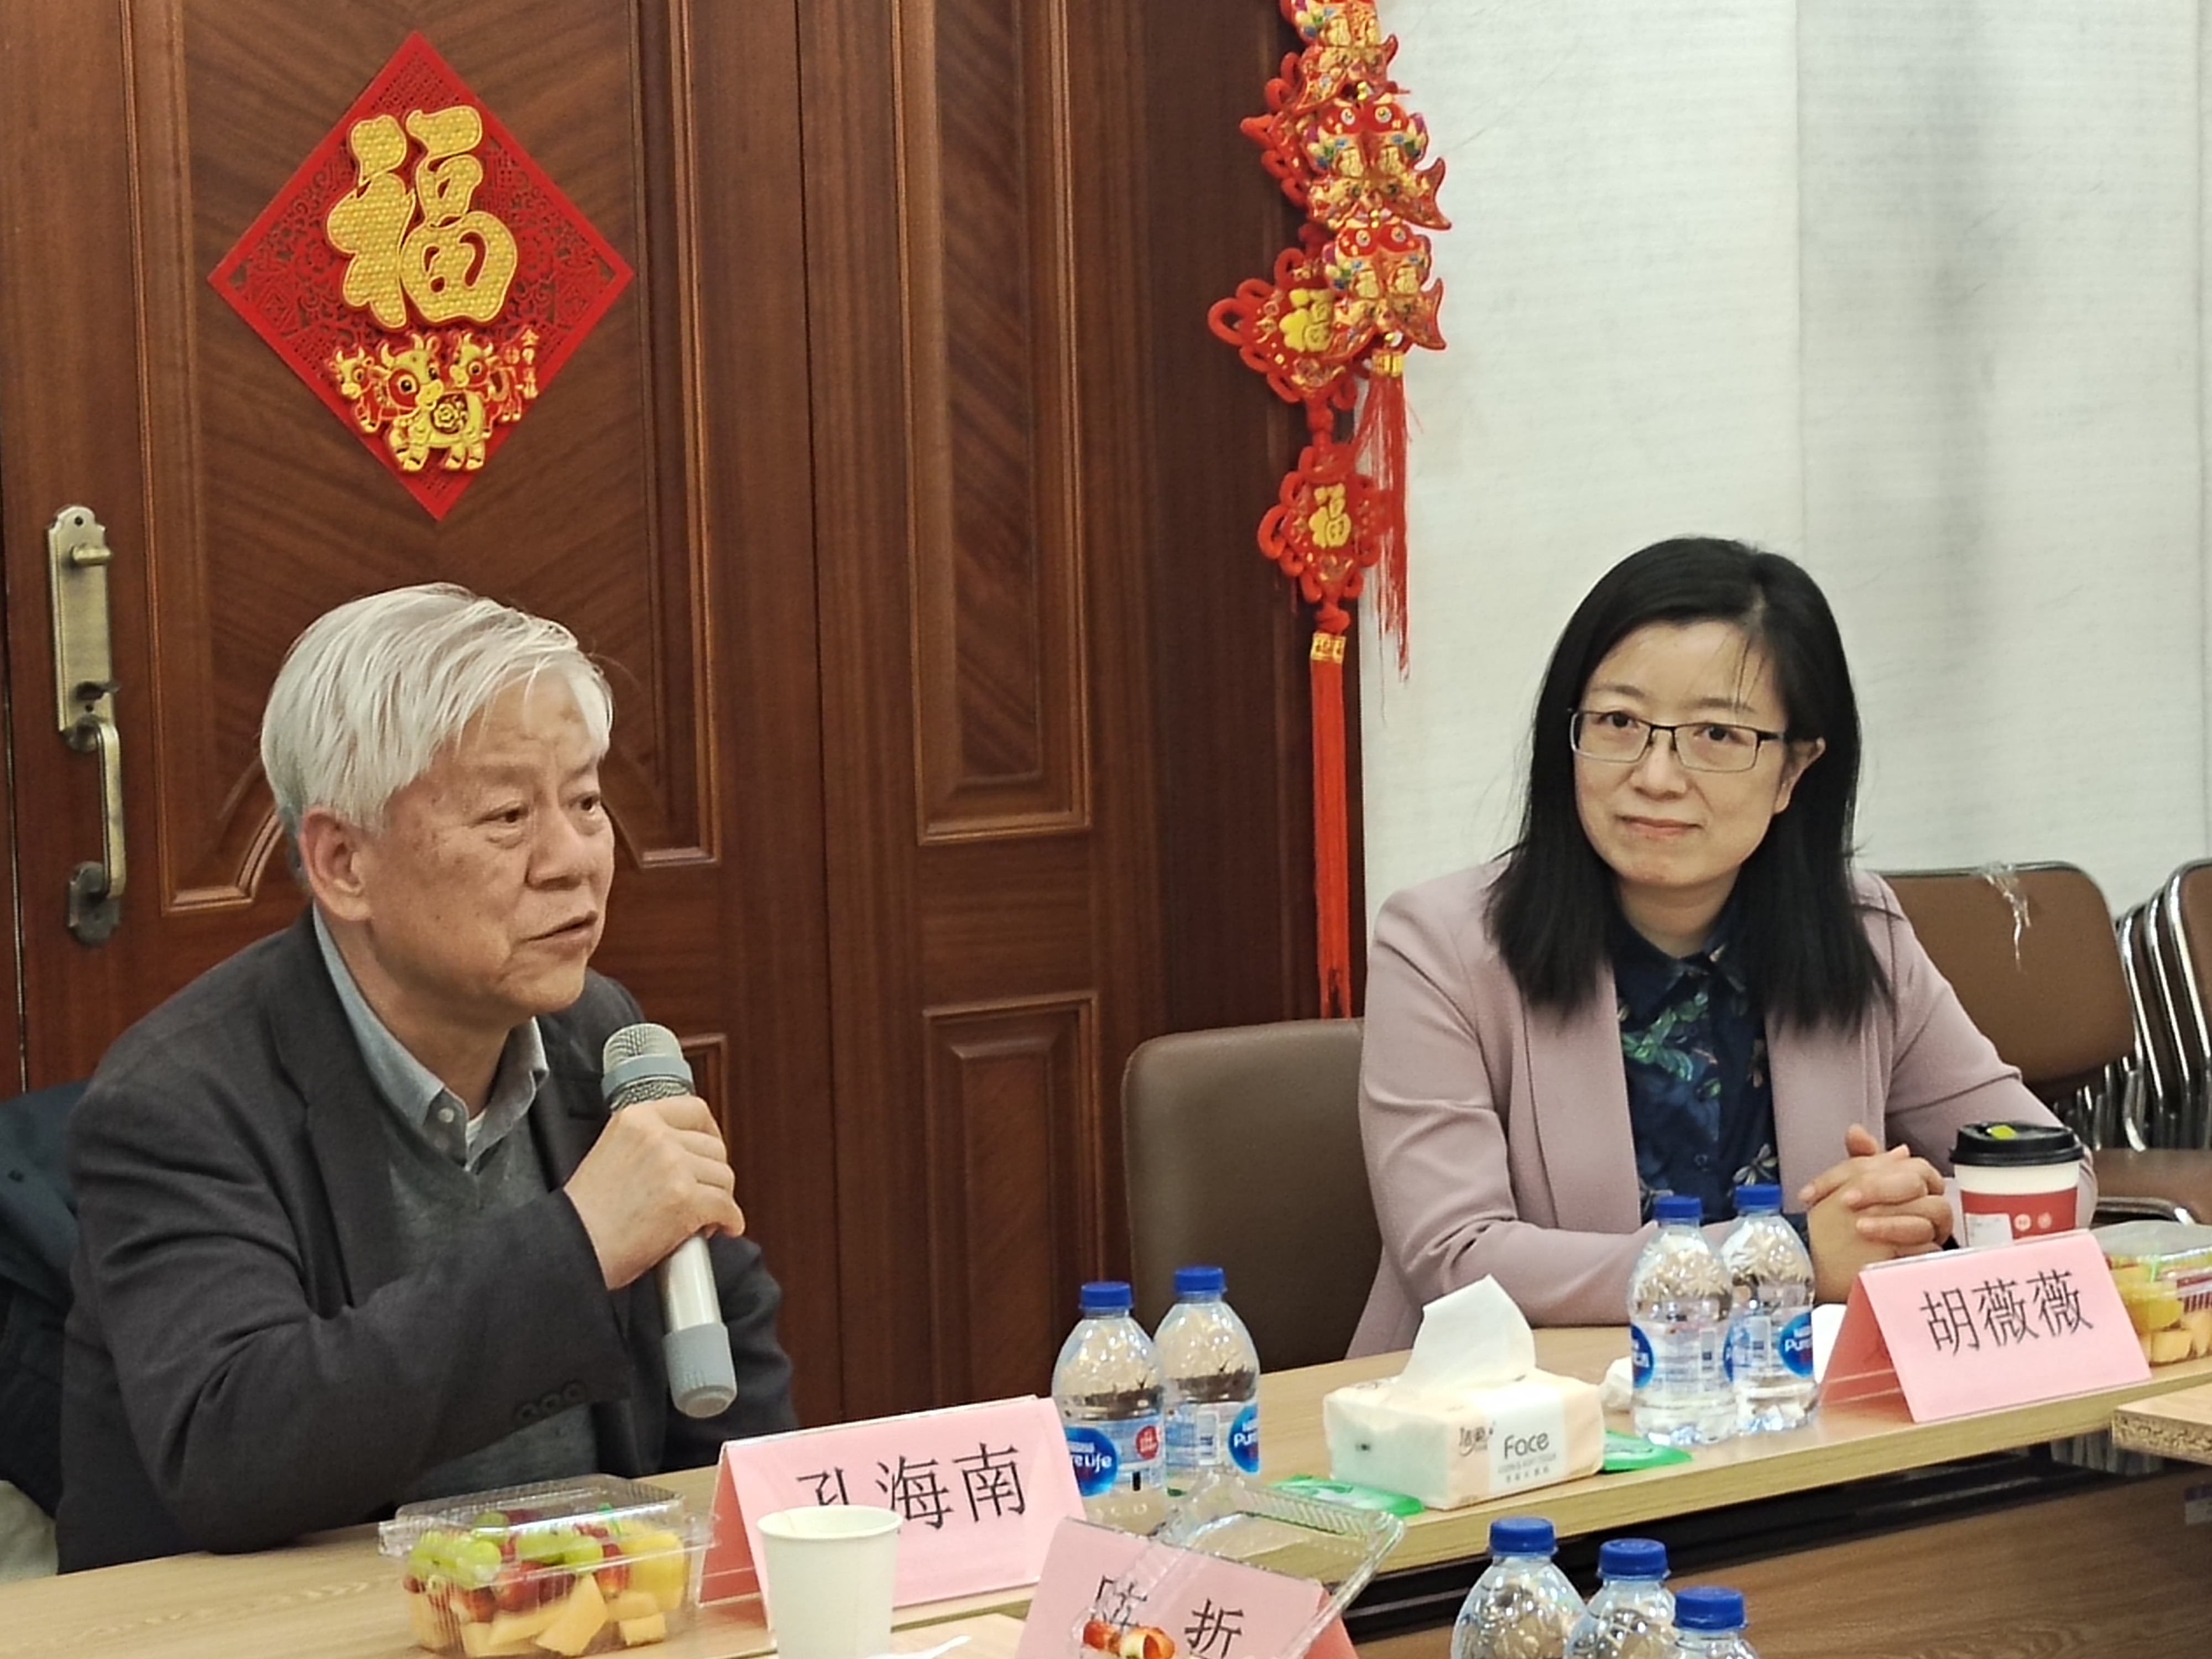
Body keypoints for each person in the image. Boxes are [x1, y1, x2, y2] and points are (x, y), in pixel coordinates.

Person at [58, 585, 796, 1568]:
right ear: (343, 863)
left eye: (584, 802)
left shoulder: (599, 1032)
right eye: (508, 815)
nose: (574, 860)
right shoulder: (179, 1099)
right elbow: (232, 1447)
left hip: (589, 1611)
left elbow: (728, 1366)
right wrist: (580, 1246)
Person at [1350, 538, 2092, 1352]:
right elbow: (1457, 1259)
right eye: (1620, 723)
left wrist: (1911, 1215)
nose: (1657, 776)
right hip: (1524, 1413)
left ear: (1794, 772)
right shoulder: (1442, 946)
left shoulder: (1859, 931)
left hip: (1799, 1409)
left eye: (1717, 735)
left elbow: (2058, 1177)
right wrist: (1788, 1258)